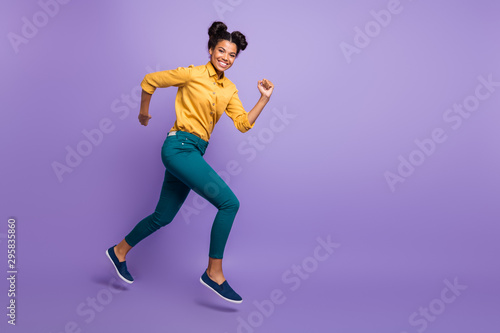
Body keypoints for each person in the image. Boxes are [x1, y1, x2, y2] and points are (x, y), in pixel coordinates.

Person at [106, 21, 274, 304]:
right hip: (179, 148)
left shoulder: (229, 89)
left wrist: (263, 99)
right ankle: (214, 272)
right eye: (221, 51)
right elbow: (150, 80)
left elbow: (243, 124)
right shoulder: (191, 74)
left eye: (232, 54)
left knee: (163, 217)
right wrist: (143, 113)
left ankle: (118, 251)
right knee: (229, 203)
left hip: (194, 153)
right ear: (211, 50)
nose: (226, 57)